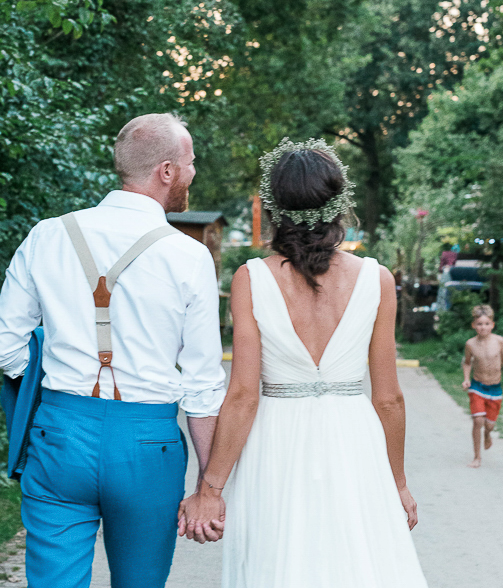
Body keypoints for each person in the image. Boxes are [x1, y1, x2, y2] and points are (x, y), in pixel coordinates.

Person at [0, 112, 225, 588]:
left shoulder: (48, 235)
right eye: (191, 162)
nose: (194, 173)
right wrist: (207, 485)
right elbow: (201, 385)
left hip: (59, 434)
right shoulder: (188, 256)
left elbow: (1, 349)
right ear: (167, 170)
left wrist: (50, 365)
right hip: (146, 442)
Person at [178, 138, 428, 588]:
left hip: (275, 443)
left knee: (278, 563)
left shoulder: (250, 278)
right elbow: (388, 399)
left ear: (273, 207)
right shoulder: (377, 279)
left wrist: (209, 490)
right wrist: (399, 484)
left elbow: (242, 396)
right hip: (355, 441)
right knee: (356, 567)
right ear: (339, 203)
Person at [462, 304, 503, 468]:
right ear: (473, 325)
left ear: (492, 324)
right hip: (477, 386)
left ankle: (488, 434)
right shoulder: (470, 344)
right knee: (478, 420)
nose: (483, 327)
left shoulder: (499, 341)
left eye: (486, 324)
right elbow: (467, 362)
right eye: (479, 324)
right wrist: (466, 379)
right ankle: (477, 457)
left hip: (495, 389)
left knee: (489, 424)